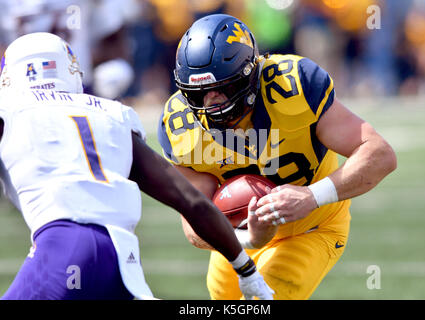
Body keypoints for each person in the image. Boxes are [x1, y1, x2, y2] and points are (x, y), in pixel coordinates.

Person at [0, 32, 273, 300]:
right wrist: (247, 271)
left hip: (63, 247)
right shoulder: (111, 113)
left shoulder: (8, 111)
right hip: (121, 260)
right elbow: (191, 201)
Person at [158, 14, 397, 300]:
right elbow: (194, 223)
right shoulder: (181, 125)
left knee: (270, 295)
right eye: (200, 95)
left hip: (311, 226)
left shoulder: (293, 85)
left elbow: (379, 153)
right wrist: (249, 238)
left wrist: (311, 196)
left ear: (249, 72)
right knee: (224, 296)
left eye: (224, 89)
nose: (214, 104)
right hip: (237, 234)